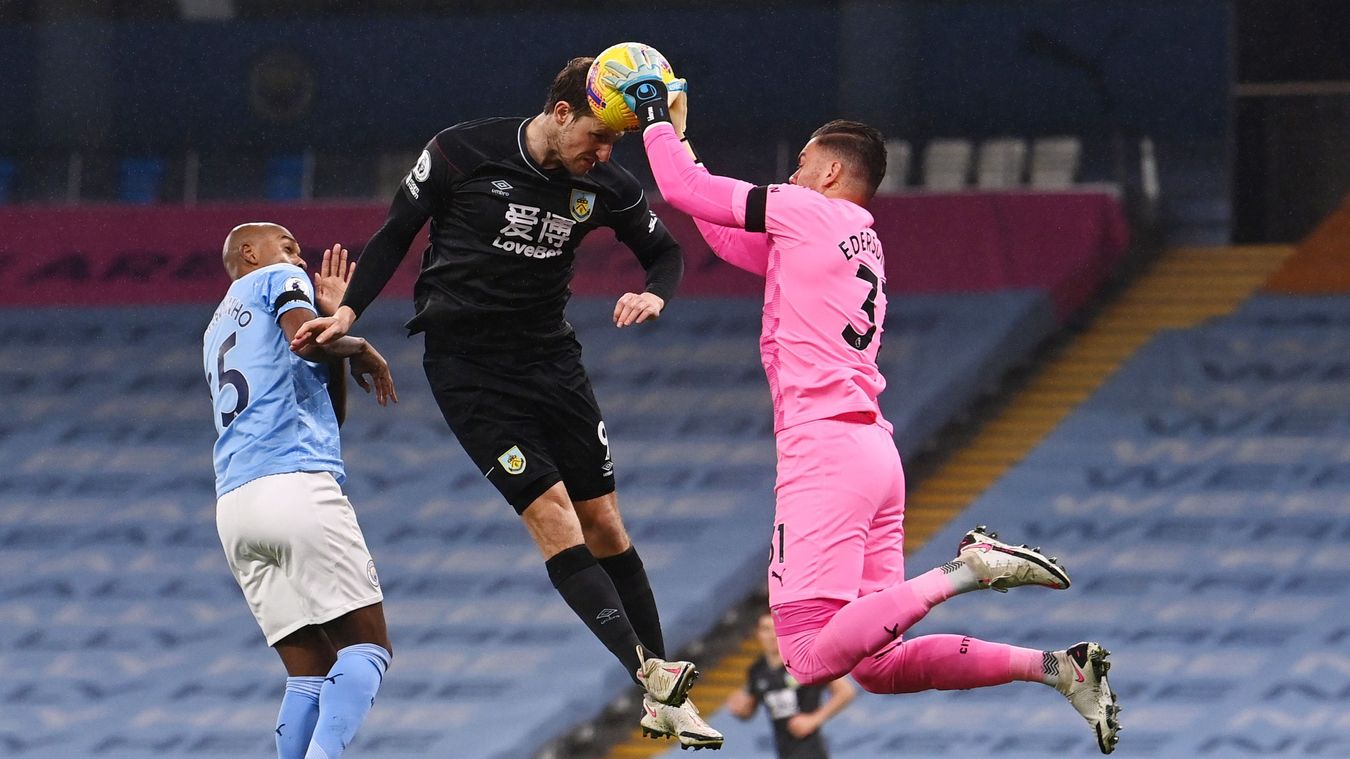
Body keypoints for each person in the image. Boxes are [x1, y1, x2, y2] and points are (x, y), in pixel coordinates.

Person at [603, 45, 1122, 754]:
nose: (788, 176)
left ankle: (969, 568)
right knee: (876, 665)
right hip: (872, 452)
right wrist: (682, 144)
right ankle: (1056, 666)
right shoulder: (855, 241)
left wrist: (657, 119)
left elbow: (690, 191)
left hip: (823, 451)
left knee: (808, 655)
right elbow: (723, 237)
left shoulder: (805, 212)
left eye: (800, 165)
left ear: (831, 172)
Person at [289, 58, 723, 749]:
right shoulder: (462, 150)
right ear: (559, 112)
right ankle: (650, 673)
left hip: (551, 360)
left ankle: (662, 691)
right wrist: (348, 314)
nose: (605, 154)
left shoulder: (604, 183)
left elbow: (664, 250)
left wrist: (655, 292)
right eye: (598, 136)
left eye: (616, 143)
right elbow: (398, 230)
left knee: (606, 523)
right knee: (553, 517)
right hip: (468, 367)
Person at [204, 223, 398, 759]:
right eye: (286, 245)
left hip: (236, 507)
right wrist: (356, 343)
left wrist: (330, 324)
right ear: (249, 252)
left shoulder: (217, 327)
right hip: (293, 485)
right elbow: (308, 338)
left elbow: (324, 403)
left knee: (308, 673)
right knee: (368, 647)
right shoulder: (279, 279)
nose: (298, 255)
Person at [724, 612, 855, 759]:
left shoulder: (803, 660)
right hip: (784, 752)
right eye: (766, 629)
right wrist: (739, 710)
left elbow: (845, 691)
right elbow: (749, 709)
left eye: (776, 628)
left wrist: (814, 719)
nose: (772, 635)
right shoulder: (757, 671)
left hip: (812, 752)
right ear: (758, 634)